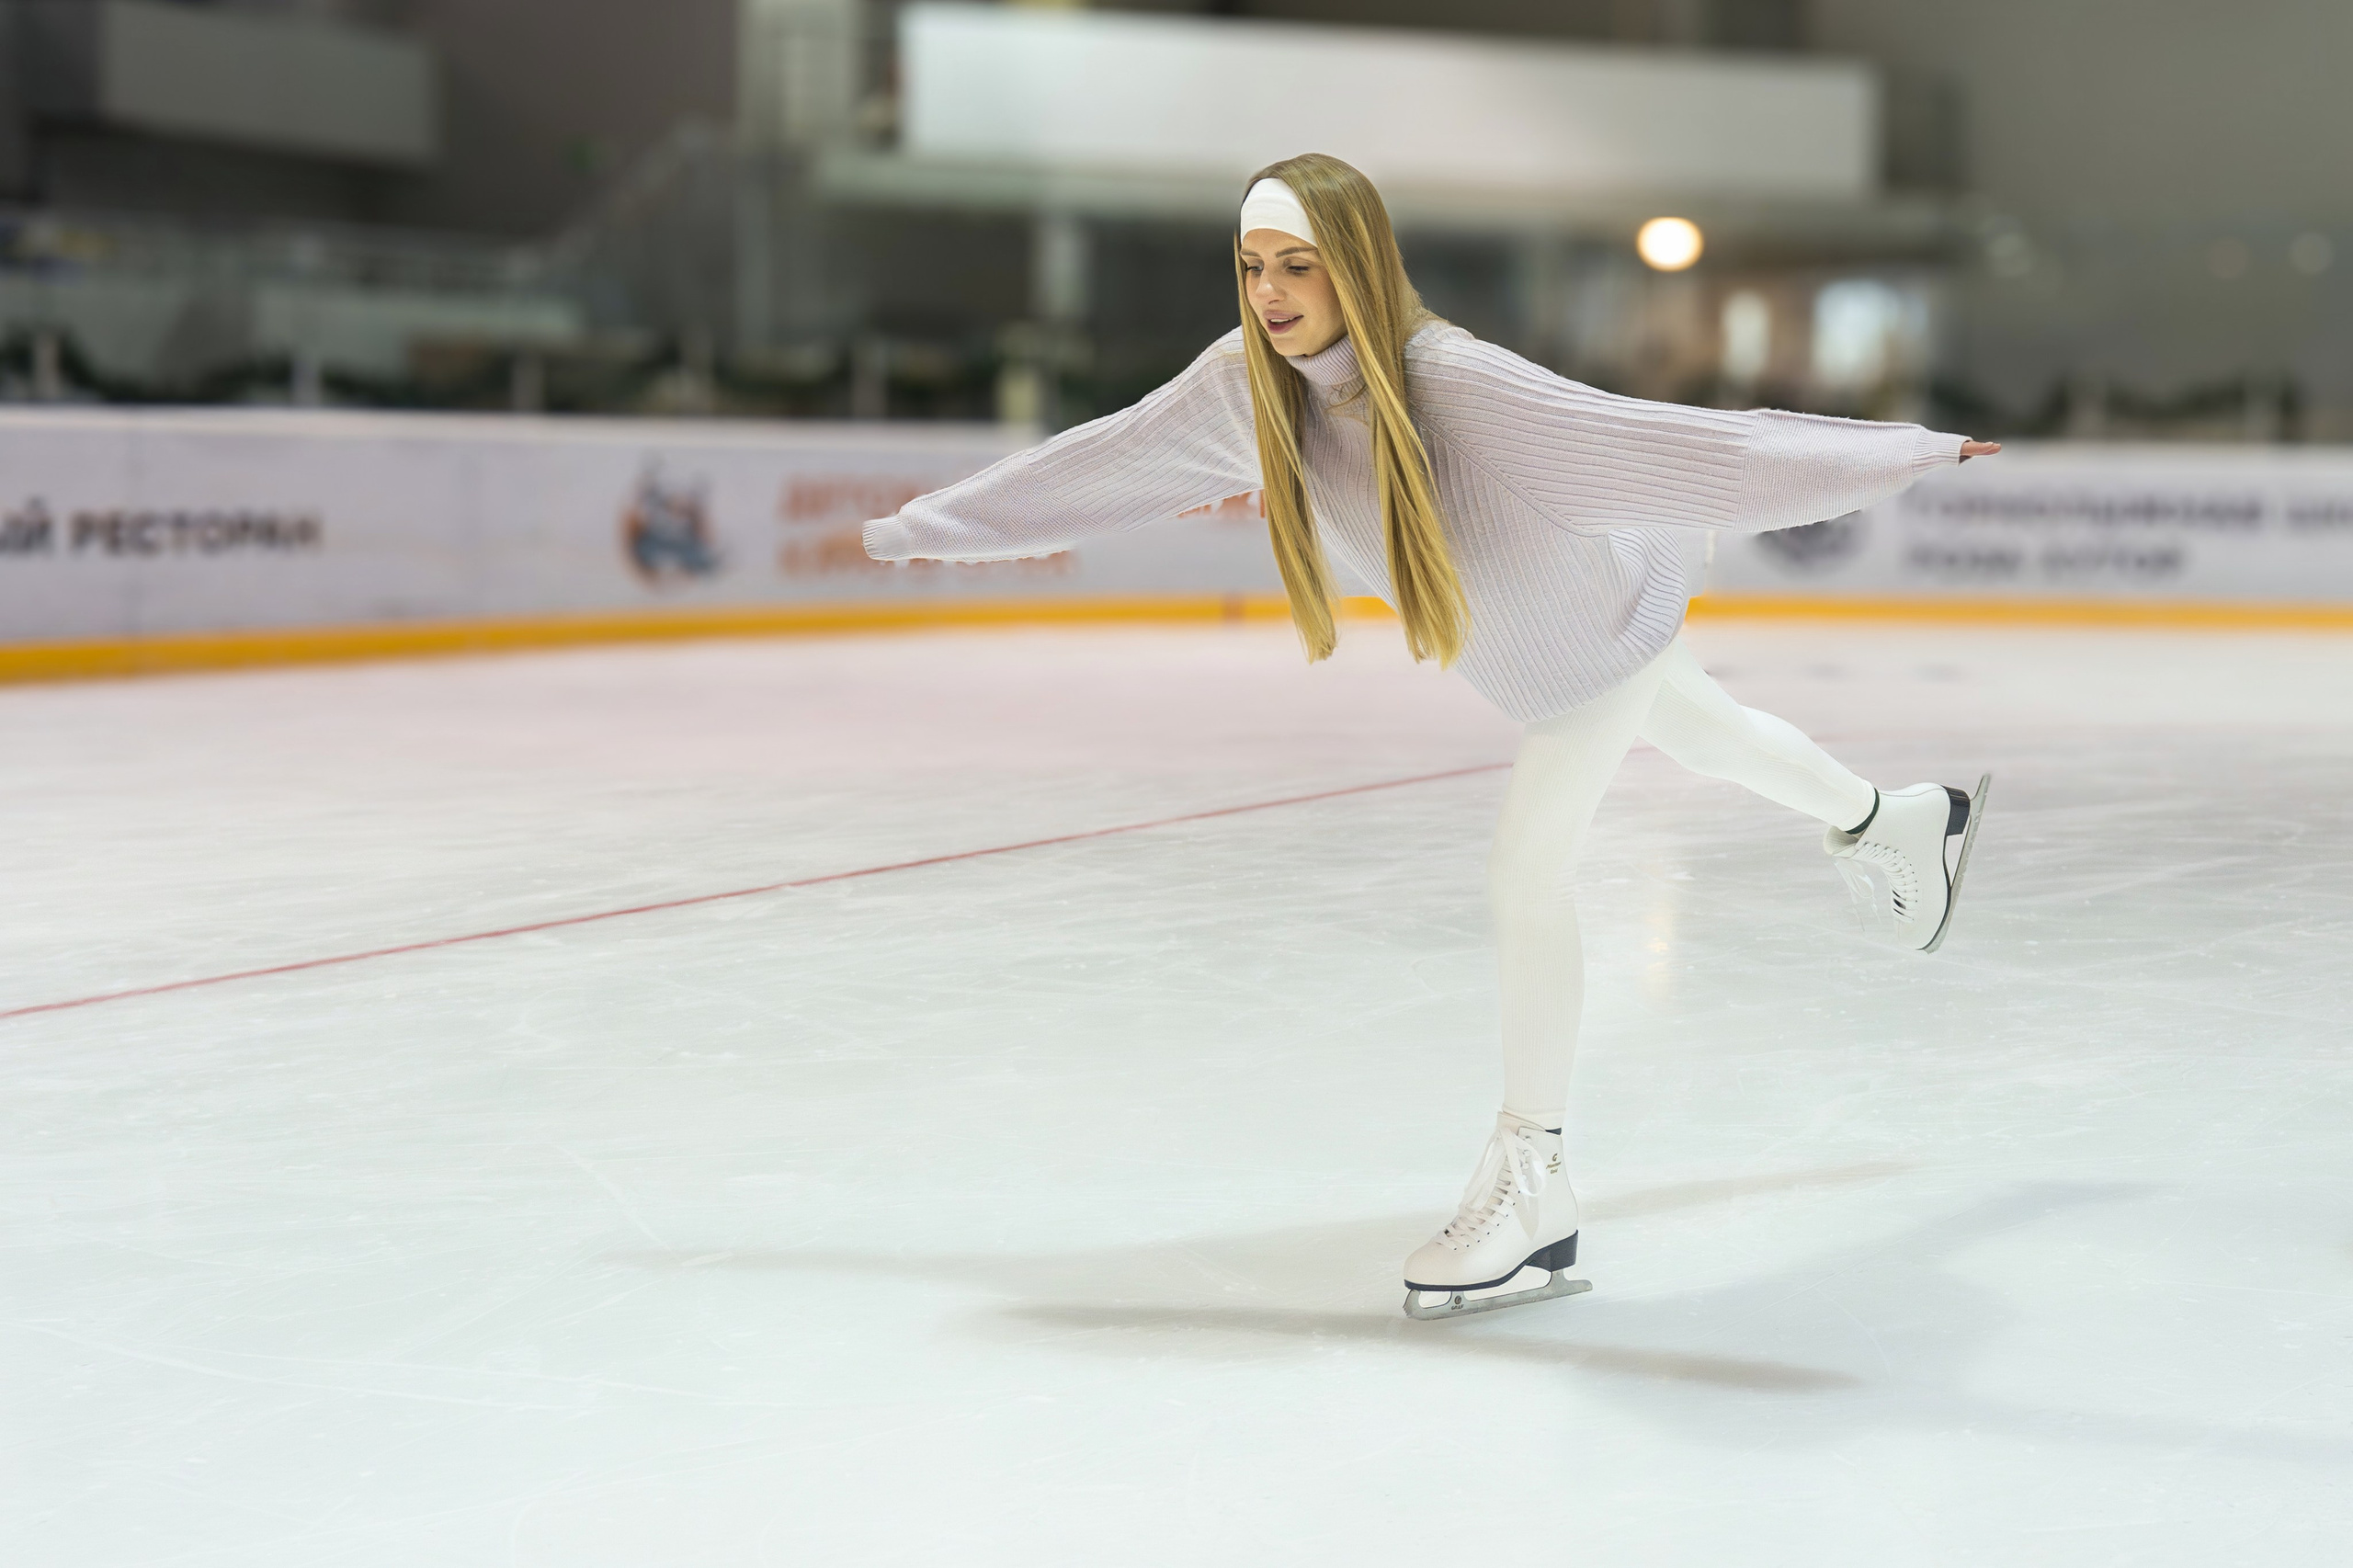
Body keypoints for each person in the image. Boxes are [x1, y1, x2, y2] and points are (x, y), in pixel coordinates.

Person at [861, 153, 1998, 1320]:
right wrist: (923, 529)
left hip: (1589, 631)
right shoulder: (1246, 386)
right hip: (1551, 651)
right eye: (1251, 266)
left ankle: (1532, 1177)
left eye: (1297, 265)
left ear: (1356, 262)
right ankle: (1897, 821)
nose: (1270, 291)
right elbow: (1105, 459)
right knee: (1710, 737)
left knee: (1525, 876)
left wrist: (1899, 450)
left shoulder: (1453, 378)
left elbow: (1665, 444)